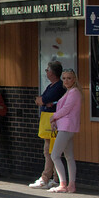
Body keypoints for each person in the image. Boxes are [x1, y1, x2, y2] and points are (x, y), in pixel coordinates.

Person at [29, 60, 66, 189]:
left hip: (54, 122)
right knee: (49, 150)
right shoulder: (51, 86)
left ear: (53, 72)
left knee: (51, 151)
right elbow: (41, 100)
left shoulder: (58, 86)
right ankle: (52, 177)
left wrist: (44, 101)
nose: (46, 72)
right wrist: (44, 102)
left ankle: (49, 177)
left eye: (47, 70)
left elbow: (43, 99)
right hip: (48, 121)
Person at [48, 69, 82, 193]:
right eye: (64, 78)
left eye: (69, 78)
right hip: (66, 126)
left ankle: (63, 184)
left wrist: (54, 117)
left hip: (66, 127)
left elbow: (66, 109)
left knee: (55, 155)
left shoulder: (73, 92)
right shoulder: (71, 92)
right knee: (69, 156)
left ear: (74, 79)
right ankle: (71, 185)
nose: (66, 81)